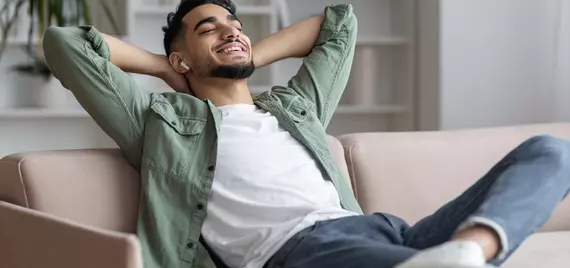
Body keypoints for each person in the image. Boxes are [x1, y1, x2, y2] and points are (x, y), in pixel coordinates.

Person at [42, 0, 570, 268]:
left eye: (236, 23)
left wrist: (241, 53)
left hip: (384, 231)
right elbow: (65, 43)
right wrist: (165, 67)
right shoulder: (162, 123)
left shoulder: (295, 107)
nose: (231, 29)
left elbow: (340, 22)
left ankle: (471, 250)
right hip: (300, 252)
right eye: (209, 28)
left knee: (552, 151)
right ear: (182, 56)